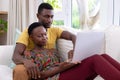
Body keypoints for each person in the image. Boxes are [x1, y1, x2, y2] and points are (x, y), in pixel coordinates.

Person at [22, 22, 120, 80]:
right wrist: (63, 67)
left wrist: (70, 60)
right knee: (95, 59)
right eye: (40, 36)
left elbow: (62, 65)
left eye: (45, 34)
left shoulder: (52, 50)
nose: (44, 38)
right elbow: (39, 76)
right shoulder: (29, 54)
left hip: (65, 73)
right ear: (31, 37)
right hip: (55, 78)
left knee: (103, 56)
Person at [13, 2, 76, 80]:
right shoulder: (27, 33)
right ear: (38, 16)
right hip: (32, 62)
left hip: (50, 67)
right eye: (46, 16)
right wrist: (27, 62)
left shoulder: (54, 30)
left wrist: (75, 51)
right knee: (20, 70)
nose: (49, 20)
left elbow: (73, 36)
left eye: (51, 17)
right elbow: (15, 56)